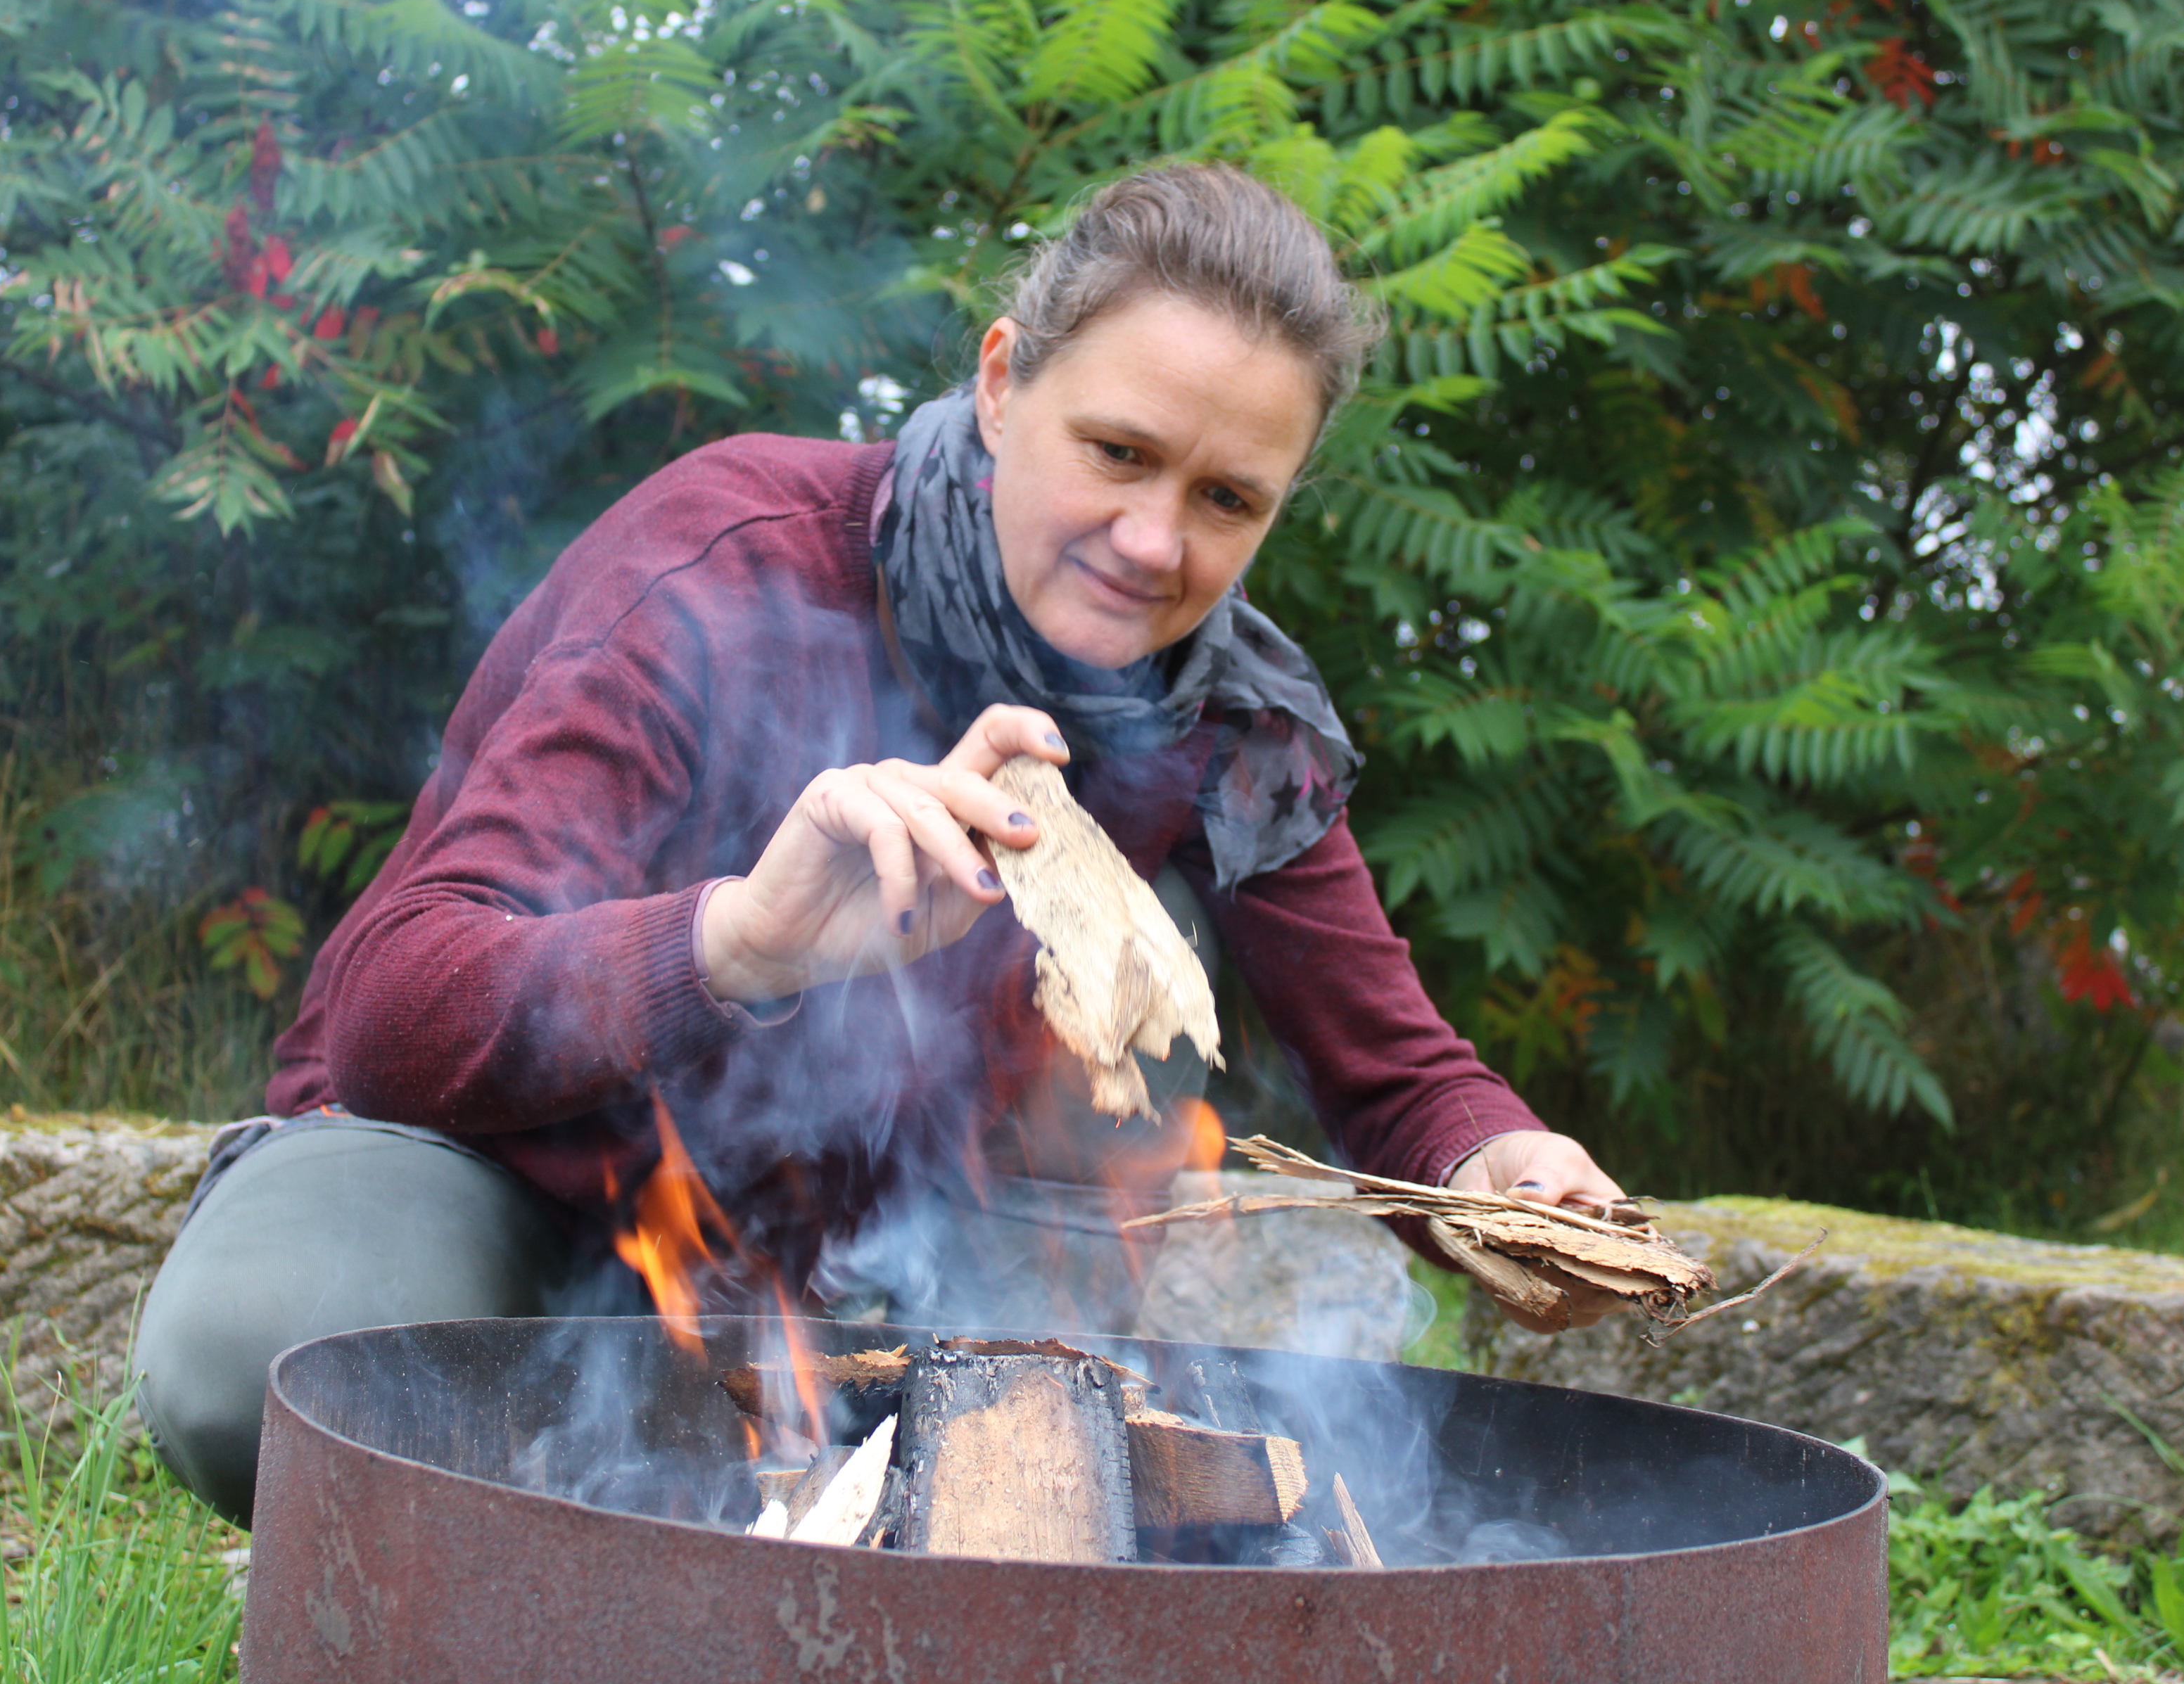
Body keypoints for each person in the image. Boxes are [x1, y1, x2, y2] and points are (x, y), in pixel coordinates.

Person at [129, 164, 1628, 1524]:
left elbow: (1398, 1078)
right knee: (256, 1360)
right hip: (505, 1182)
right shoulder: (734, 557)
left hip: (847, 1278)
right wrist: (738, 942)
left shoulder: (1235, 721)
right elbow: (396, 1009)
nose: (1154, 541)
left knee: (1139, 1083)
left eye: (1226, 499)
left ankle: (863, 1495)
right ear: (1002, 381)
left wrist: (1509, 1169)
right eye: (1117, 450)